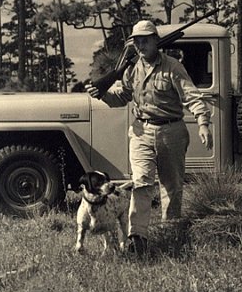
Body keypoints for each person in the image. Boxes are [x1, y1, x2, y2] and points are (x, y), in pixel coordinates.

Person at [86, 20, 212, 256]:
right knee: (141, 183)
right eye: (137, 40)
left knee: (171, 187)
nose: (141, 44)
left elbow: (192, 96)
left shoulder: (173, 67)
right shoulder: (131, 68)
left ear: (156, 40)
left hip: (171, 131)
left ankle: (169, 232)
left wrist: (203, 123)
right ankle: (138, 238)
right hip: (141, 132)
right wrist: (102, 94)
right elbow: (122, 96)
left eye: (145, 39)